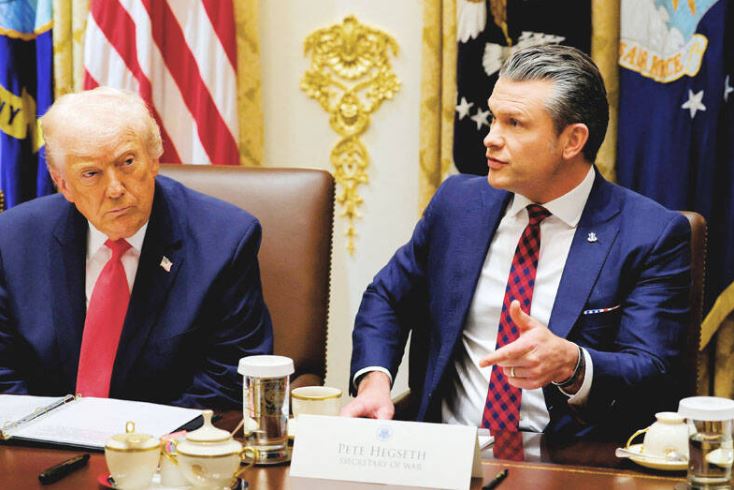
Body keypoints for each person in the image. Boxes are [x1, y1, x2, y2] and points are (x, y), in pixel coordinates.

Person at [342, 44, 691, 440]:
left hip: (569, 459)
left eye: (515, 123)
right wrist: (374, 383)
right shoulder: (457, 205)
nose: (491, 138)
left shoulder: (650, 235)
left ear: (572, 141)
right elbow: (388, 296)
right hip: (449, 448)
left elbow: (654, 372)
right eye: (493, 118)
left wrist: (573, 365)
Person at [0, 87, 273, 409]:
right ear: (63, 183)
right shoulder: (13, 239)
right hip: (42, 434)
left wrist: (140, 435)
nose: (115, 189)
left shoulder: (225, 240)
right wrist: (38, 429)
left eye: (127, 162)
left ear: (154, 159)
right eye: (91, 173)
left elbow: (231, 374)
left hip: (167, 434)